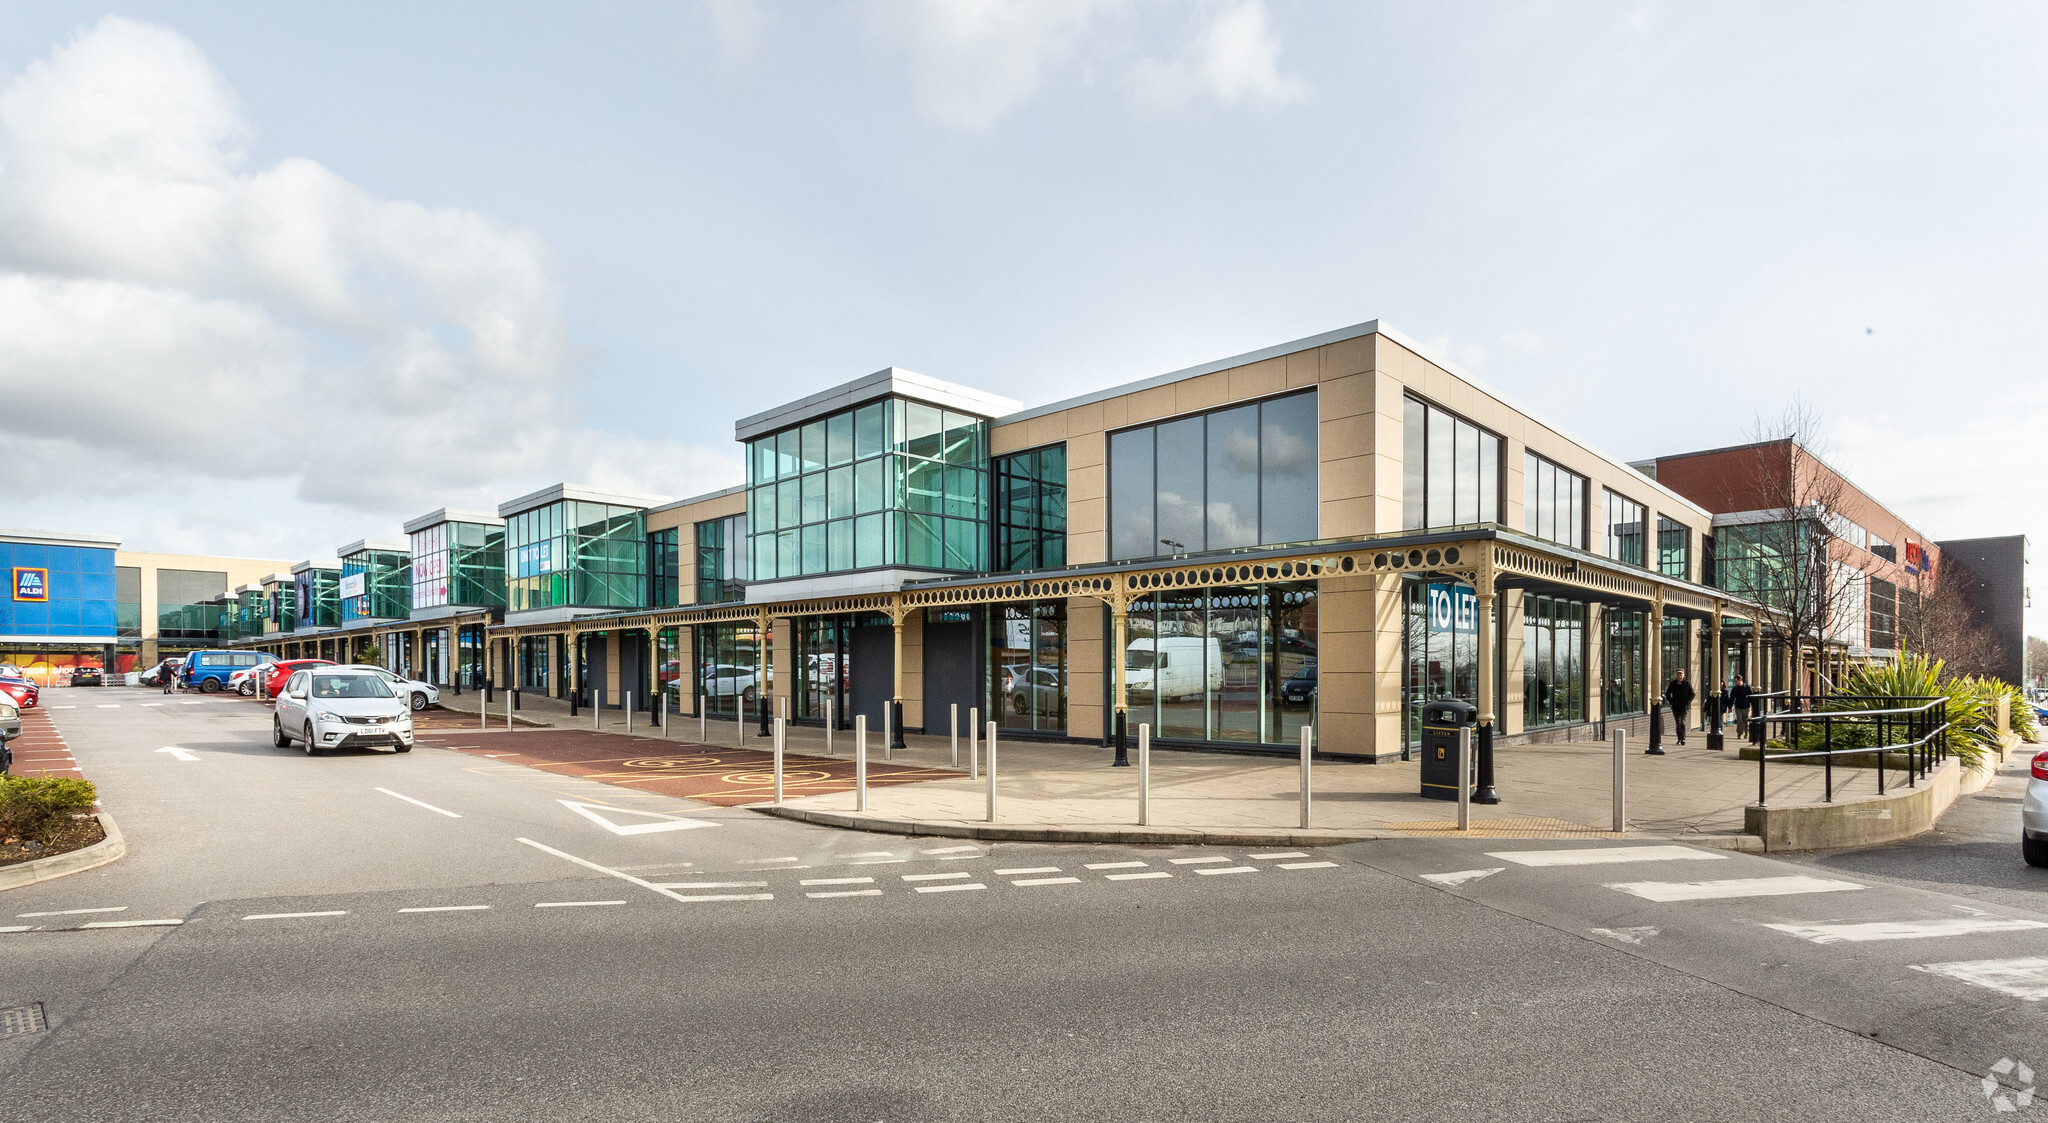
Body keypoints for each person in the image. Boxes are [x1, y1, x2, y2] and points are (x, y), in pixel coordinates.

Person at [1664, 669, 1696, 746]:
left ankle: (1683, 738)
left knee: (1682, 722)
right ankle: (1679, 738)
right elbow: (1668, 694)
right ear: (1676, 675)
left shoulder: (1687, 684)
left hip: (1684, 707)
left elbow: (1692, 694)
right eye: (1678, 674)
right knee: (1678, 723)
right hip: (1675, 707)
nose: (1679, 676)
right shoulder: (1673, 684)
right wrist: (1672, 702)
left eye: (1681, 674)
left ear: (1683, 675)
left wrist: (1687, 702)